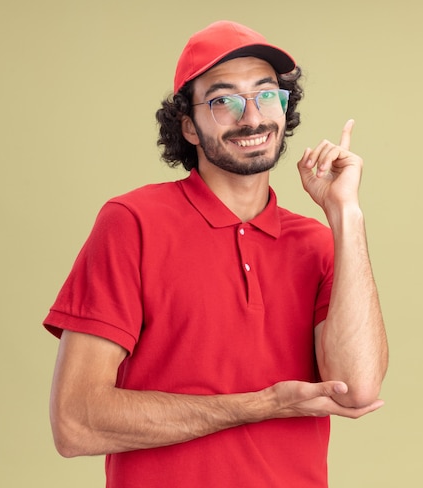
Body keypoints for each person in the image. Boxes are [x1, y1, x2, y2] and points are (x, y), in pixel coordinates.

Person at [44, 20, 388, 488]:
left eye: (267, 94)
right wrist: (261, 405)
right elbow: (76, 423)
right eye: (224, 100)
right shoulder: (133, 222)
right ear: (187, 125)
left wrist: (346, 214)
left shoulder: (318, 243)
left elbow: (358, 389)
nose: (252, 118)